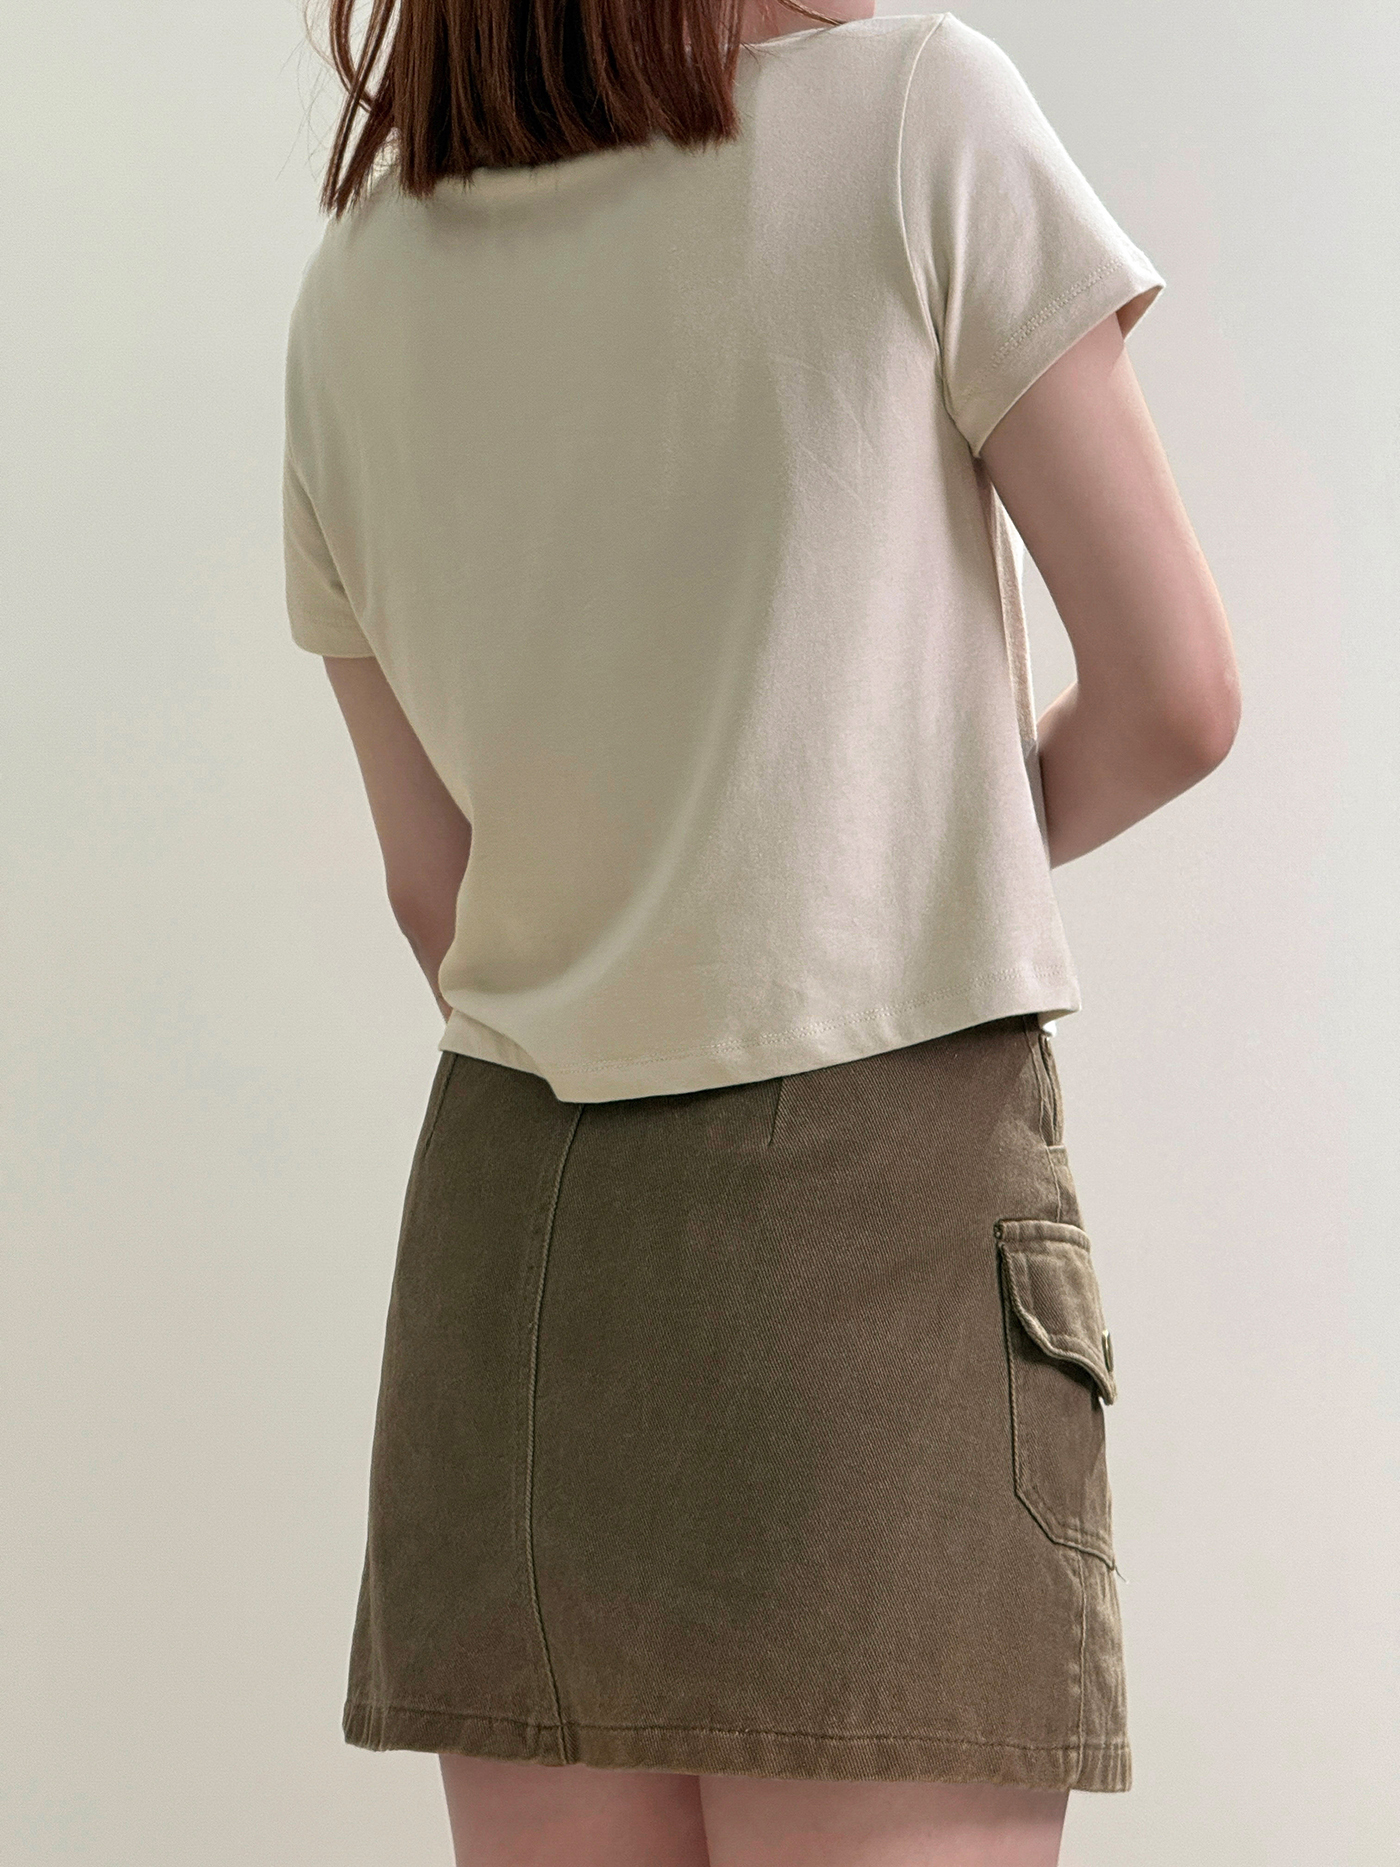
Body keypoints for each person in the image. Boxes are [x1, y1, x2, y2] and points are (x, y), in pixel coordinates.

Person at [282, 0, 1240, 1860]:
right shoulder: (915, 119)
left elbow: (437, 889)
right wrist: (885, 865)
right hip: (862, 1257)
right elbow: (1175, 696)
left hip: (513, 1279)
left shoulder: (357, 282)